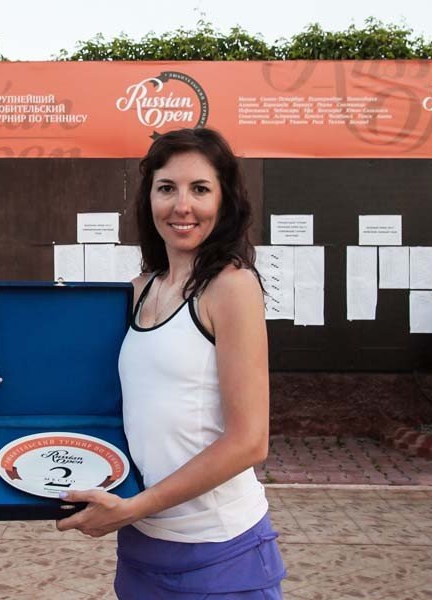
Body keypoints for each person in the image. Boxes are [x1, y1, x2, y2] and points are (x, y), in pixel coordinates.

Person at [55, 128, 286, 598]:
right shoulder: (140, 290)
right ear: (149, 199)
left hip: (220, 550)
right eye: (167, 188)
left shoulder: (232, 287)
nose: (182, 206)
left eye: (200, 189)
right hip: (142, 547)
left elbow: (249, 442)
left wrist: (137, 506)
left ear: (224, 200)